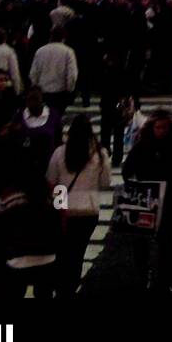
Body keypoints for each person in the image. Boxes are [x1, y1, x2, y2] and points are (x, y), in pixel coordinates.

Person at [45, 114, 110, 298]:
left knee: (61, 252)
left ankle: (58, 285)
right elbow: (105, 182)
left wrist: (58, 207)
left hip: (65, 210)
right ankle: (70, 288)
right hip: (88, 210)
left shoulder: (60, 152)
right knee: (77, 254)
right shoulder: (99, 153)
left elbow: (52, 180)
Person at [0, 140, 58, 299]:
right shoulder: (54, 193)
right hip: (48, 255)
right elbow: (61, 219)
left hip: (18, 256)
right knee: (44, 294)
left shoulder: (8, 196)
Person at [122, 111, 172, 292]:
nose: (161, 131)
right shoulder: (143, 146)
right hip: (147, 200)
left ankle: (165, 278)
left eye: (164, 127)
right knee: (143, 242)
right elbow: (127, 170)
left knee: (165, 243)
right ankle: (145, 275)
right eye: (158, 127)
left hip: (165, 201)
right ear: (152, 128)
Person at [29, 25, 79, 118]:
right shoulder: (68, 51)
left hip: (43, 90)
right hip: (60, 91)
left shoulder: (40, 51)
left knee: (45, 117)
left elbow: (33, 72)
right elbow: (72, 74)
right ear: (63, 37)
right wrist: (70, 89)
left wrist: (35, 86)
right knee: (57, 116)